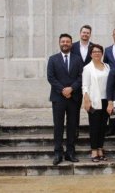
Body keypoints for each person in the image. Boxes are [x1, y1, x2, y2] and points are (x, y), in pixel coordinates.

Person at [47, 33, 83, 165]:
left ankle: (70, 153)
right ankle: (58, 153)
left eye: (68, 42)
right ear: (59, 43)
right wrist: (63, 90)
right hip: (58, 97)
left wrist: (71, 89)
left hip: (73, 98)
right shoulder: (53, 59)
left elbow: (81, 77)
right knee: (58, 126)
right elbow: (51, 77)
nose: (65, 43)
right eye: (63, 41)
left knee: (72, 126)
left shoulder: (77, 59)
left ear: (71, 44)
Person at [82, 44, 111, 162]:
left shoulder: (107, 66)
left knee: (103, 126)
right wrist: (86, 100)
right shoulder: (87, 68)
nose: (97, 53)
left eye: (99, 51)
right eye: (94, 52)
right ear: (91, 54)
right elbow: (85, 85)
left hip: (106, 100)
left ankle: (100, 148)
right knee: (94, 127)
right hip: (94, 101)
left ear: (102, 53)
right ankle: (94, 150)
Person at [71, 24, 93, 136]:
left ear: (90, 34)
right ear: (80, 33)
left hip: (90, 82)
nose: (85, 34)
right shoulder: (72, 46)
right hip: (76, 81)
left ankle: (92, 131)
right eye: (83, 32)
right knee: (75, 108)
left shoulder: (94, 47)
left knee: (91, 107)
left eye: (87, 33)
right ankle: (75, 130)